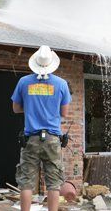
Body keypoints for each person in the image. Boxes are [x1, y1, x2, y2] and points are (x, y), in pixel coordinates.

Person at [12, 45, 71, 211]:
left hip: (30, 137)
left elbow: (16, 108)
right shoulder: (61, 84)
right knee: (53, 183)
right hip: (52, 139)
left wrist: (30, 107)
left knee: (26, 182)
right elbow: (64, 113)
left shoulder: (24, 82)